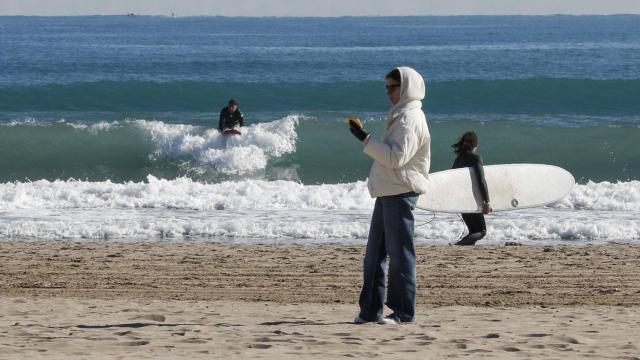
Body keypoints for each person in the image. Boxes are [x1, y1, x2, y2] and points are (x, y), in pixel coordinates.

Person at [348, 67, 431, 325]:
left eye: (392, 87)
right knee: (374, 255)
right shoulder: (400, 115)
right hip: (388, 191)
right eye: (386, 87)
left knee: (401, 256)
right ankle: (370, 311)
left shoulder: (410, 119)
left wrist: (365, 138)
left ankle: (404, 313)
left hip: (400, 192)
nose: (388, 92)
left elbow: (396, 158)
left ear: (406, 88)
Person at [451, 131, 492, 246]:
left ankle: (462, 245)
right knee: (482, 231)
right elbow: (481, 180)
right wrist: (487, 201)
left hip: (461, 200)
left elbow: (452, 180)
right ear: (475, 145)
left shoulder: (458, 159)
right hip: (471, 200)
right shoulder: (475, 158)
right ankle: (458, 245)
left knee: (473, 231)